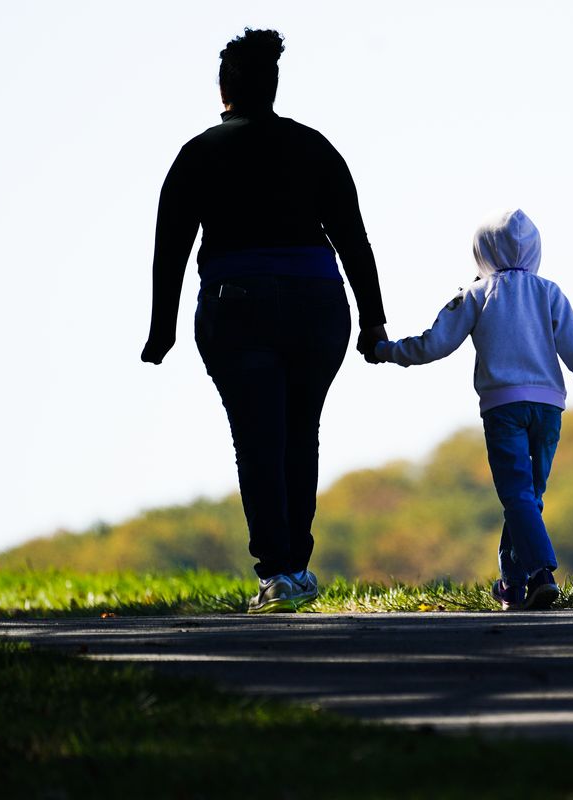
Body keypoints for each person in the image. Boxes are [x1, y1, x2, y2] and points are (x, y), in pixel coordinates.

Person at [141, 29, 388, 613]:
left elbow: (170, 243)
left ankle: (277, 572)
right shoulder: (315, 147)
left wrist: (162, 327)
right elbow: (353, 237)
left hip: (236, 303)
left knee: (257, 439)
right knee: (301, 432)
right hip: (317, 302)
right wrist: (374, 320)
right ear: (274, 87)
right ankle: (295, 568)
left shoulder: (199, 152)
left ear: (223, 91)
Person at [368, 208, 573, 610]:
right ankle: (512, 583)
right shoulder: (549, 291)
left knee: (517, 496)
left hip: (503, 408)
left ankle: (541, 573)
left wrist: (387, 351)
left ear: (482, 251)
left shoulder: (476, 293)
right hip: (548, 409)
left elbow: (434, 344)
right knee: (529, 497)